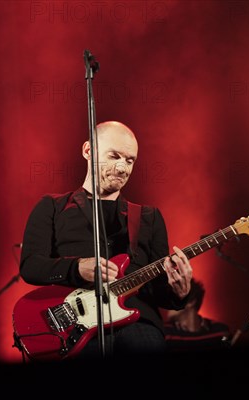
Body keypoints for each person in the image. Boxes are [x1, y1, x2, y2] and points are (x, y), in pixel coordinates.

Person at [18, 120, 193, 360]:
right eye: (114, 156)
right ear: (88, 151)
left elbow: (158, 291)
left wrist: (179, 293)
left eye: (130, 160)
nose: (122, 168)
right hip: (75, 329)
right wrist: (77, 268)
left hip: (138, 325)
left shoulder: (148, 217)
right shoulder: (52, 206)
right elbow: (30, 267)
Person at [163, 278, 232, 352]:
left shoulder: (221, 331)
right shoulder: (164, 333)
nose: (167, 303)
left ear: (191, 302)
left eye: (174, 297)